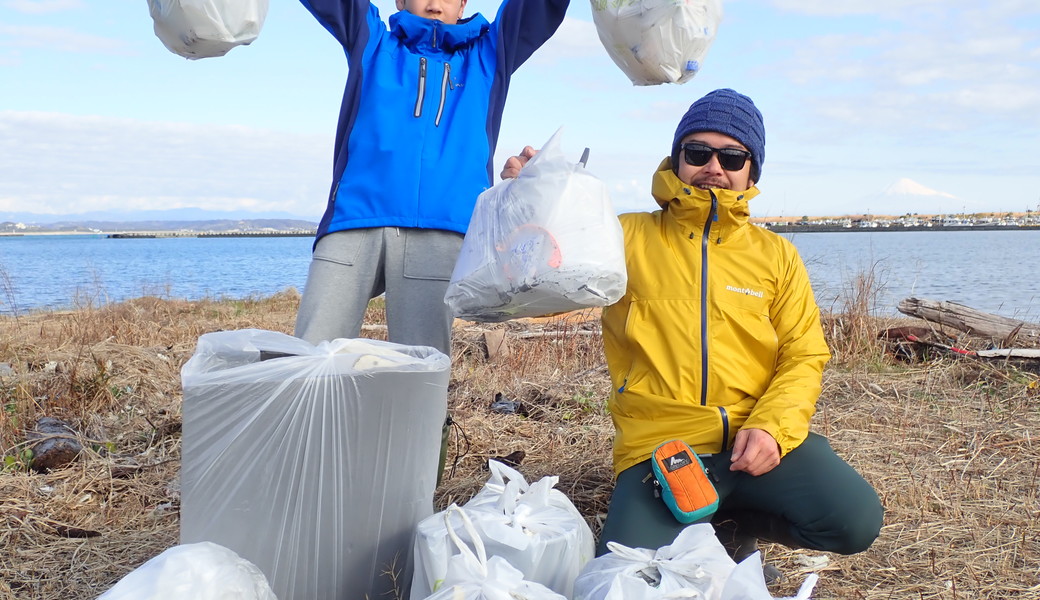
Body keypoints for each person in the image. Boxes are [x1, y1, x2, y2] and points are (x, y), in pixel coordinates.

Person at [501, 88, 883, 579]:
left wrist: (771, 427)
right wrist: (531, 203)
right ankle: (695, 519)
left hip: (754, 439)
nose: (714, 167)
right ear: (677, 158)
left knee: (854, 522)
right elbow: (543, 285)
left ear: (752, 168)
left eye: (732, 156)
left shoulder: (777, 256)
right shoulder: (624, 236)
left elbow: (804, 354)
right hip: (660, 448)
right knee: (626, 572)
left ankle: (728, 522)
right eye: (698, 152)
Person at [295, 0, 570, 356]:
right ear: (400, 1)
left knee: (420, 368)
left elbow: (536, 8)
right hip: (354, 219)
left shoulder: (490, 54)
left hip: (441, 232)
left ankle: (420, 415)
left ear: (463, 5)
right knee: (309, 357)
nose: (435, 5)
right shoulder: (372, 41)